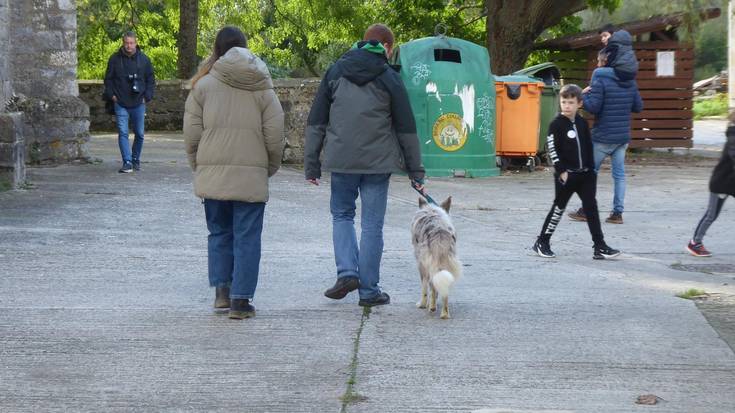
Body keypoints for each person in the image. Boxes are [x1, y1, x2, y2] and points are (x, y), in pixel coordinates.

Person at [304, 23, 425, 307]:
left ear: (363, 42)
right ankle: (369, 292)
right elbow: (407, 128)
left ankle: (347, 272)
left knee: (342, 215)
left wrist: (312, 164)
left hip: (342, 160)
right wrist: (415, 171)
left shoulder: (336, 71)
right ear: (387, 47)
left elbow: (316, 120)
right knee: (372, 226)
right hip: (377, 163)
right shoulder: (389, 77)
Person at [183, 26, 285, 319]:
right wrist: (269, 167)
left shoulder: (202, 87)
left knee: (218, 233)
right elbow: (275, 134)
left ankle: (222, 293)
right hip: (251, 175)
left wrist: (198, 166)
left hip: (212, 173)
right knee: (248, 236)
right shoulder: (263, 86)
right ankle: (241, 301)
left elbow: (191, 135)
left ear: (216, 49)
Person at [533, 84, 620, 260]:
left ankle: (600, 246)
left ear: (579, 103)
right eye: (563, 102)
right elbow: (552, 149)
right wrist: (561, 171)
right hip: (567, 175)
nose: (566, 106)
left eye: (571, 102)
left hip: (585, 175)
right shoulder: (556, 124)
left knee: (591, 209)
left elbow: (588, 146)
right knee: (558, 208)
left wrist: (591, 171)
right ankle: (542, 242)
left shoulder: (582, 123)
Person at [568, 29, 643, 225]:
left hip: (602, 137)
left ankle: (585, 210)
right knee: (619, 175)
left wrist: (583, 97)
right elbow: (638, 107)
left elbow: (593, 107)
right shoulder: (630, 80)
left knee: (589, 173)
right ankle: (617, 213)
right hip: (622, 138)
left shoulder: (600, 77)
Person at [103, 31, 155, 173]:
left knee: (139, 133)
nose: (129, 46)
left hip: (139, 102)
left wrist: (147, 96)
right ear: (123, 43)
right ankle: (127, 161)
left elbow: (151, 80)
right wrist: (112, 95)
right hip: (120, 102)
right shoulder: (114, 59)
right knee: (123, 132)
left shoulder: (144, 60)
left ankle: (135, 159)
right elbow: (108, 79)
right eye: (126, 43)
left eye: (131, 43)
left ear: (136, 43)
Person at [686, 114, 735, 257]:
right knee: (711, 215)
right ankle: (695, 243)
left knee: (712, 214)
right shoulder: (733, 137)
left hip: (729, 182)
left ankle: (696, 242)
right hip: (722, 183)